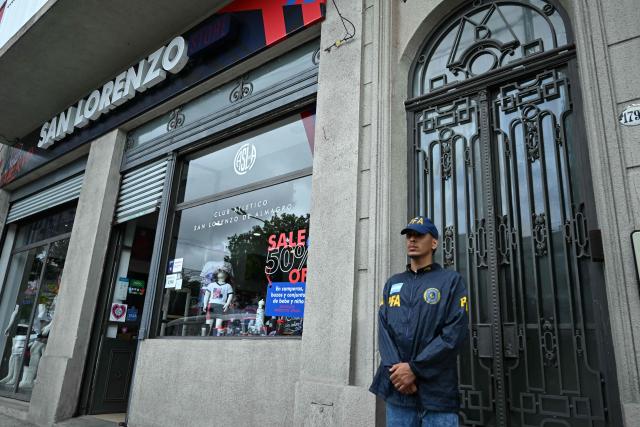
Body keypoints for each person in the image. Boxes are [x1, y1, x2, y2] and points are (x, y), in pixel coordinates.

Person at [370, 216, 469, 427]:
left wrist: (414, 369)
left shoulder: (451, 281)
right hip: (399, 395)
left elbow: (454, 334)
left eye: (419, 235)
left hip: (438, 397)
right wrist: (399, 374)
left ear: (434, 242)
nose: (412, 240)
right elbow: (384, 331)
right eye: (409, 236)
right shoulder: (393, 283)